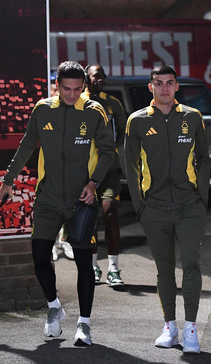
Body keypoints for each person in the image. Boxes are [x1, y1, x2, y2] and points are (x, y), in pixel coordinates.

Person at [0, 61, 115, 346]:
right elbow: (27, 144)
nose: (72, 95)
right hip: (48, 199)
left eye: (77, 89)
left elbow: (108, 152)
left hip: (81, 200)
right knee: (40, 257)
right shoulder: (42, 110)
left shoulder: (94, 112)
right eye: (66, 89)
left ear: (83, 87)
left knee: (84, 263)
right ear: (56, 86)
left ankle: (84, 325)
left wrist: (94, 183)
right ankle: (54, 307)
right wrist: (9, 179)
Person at [125, 65, 209, 353]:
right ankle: (170, 326)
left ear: (177, 87)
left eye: (169, 83)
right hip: (155, 208)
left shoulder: (192, 117)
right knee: (164, 270)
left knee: (192, 266)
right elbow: (131, 166)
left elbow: (204, 160)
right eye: (158, 83)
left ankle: (191, 330)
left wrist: (202, 201)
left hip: (189, 206)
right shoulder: (136, 121)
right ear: (151, 87)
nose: (164, 88)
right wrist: (140, 207)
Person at [82, 63, 127, 287]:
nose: (101, 79)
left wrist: (107, 154)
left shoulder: (113, 104)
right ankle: (93, 266)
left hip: (109, 172)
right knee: (89, 220)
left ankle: (114, 268)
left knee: (110, 214)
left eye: (102, 75)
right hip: (85, 173)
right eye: (96, 76)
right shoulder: (79, 102)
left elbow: (120, 135)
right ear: (86, 78)